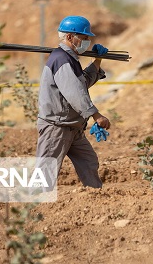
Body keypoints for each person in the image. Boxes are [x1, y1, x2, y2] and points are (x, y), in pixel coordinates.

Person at [36, 15, 110, 189]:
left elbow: (81, 84)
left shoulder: (70, 59)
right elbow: (75, 92)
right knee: (46, 171)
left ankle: (95, 196)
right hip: (57, 127)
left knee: (88, 161)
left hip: (72, 126)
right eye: (84, 38)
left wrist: (97, 61)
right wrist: (96, 115)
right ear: (70, 37)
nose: (87, 43)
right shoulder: (62, 59)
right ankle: (36, 205)